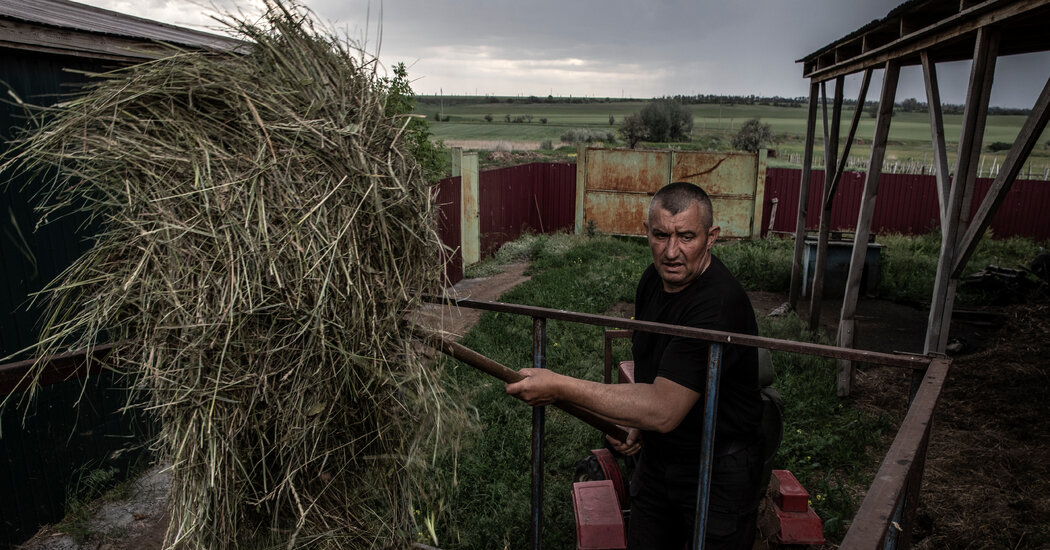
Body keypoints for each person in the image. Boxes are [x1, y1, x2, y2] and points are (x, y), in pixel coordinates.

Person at [505, 181, 763, 549]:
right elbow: (651, 373)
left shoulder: (717, 304)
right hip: (660, 462)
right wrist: (632, 421)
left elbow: (662, 410)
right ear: (647, 232)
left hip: (715, 472)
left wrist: (558, 386)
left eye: (686, 237)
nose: (671, 251)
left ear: (712, 237)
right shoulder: (653, 281)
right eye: (660, 235)